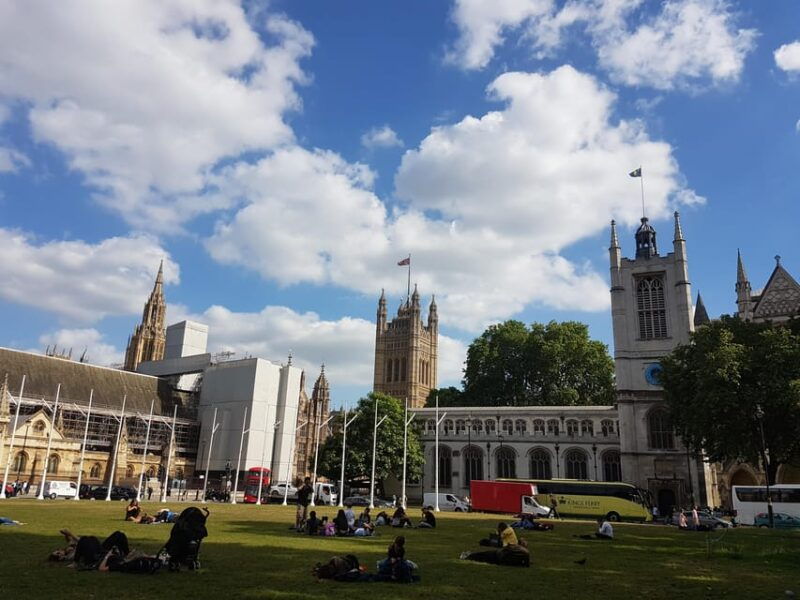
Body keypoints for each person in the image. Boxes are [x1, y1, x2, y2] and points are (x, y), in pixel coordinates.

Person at [460, 539, 530, 567]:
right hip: (502, 561)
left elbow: (504, 550)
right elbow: (526, 565)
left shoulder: (513, 546)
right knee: (483, 557)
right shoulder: (526, 553)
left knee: (481, 555)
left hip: (497, 555)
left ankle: (467, 556)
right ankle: (468, 556)